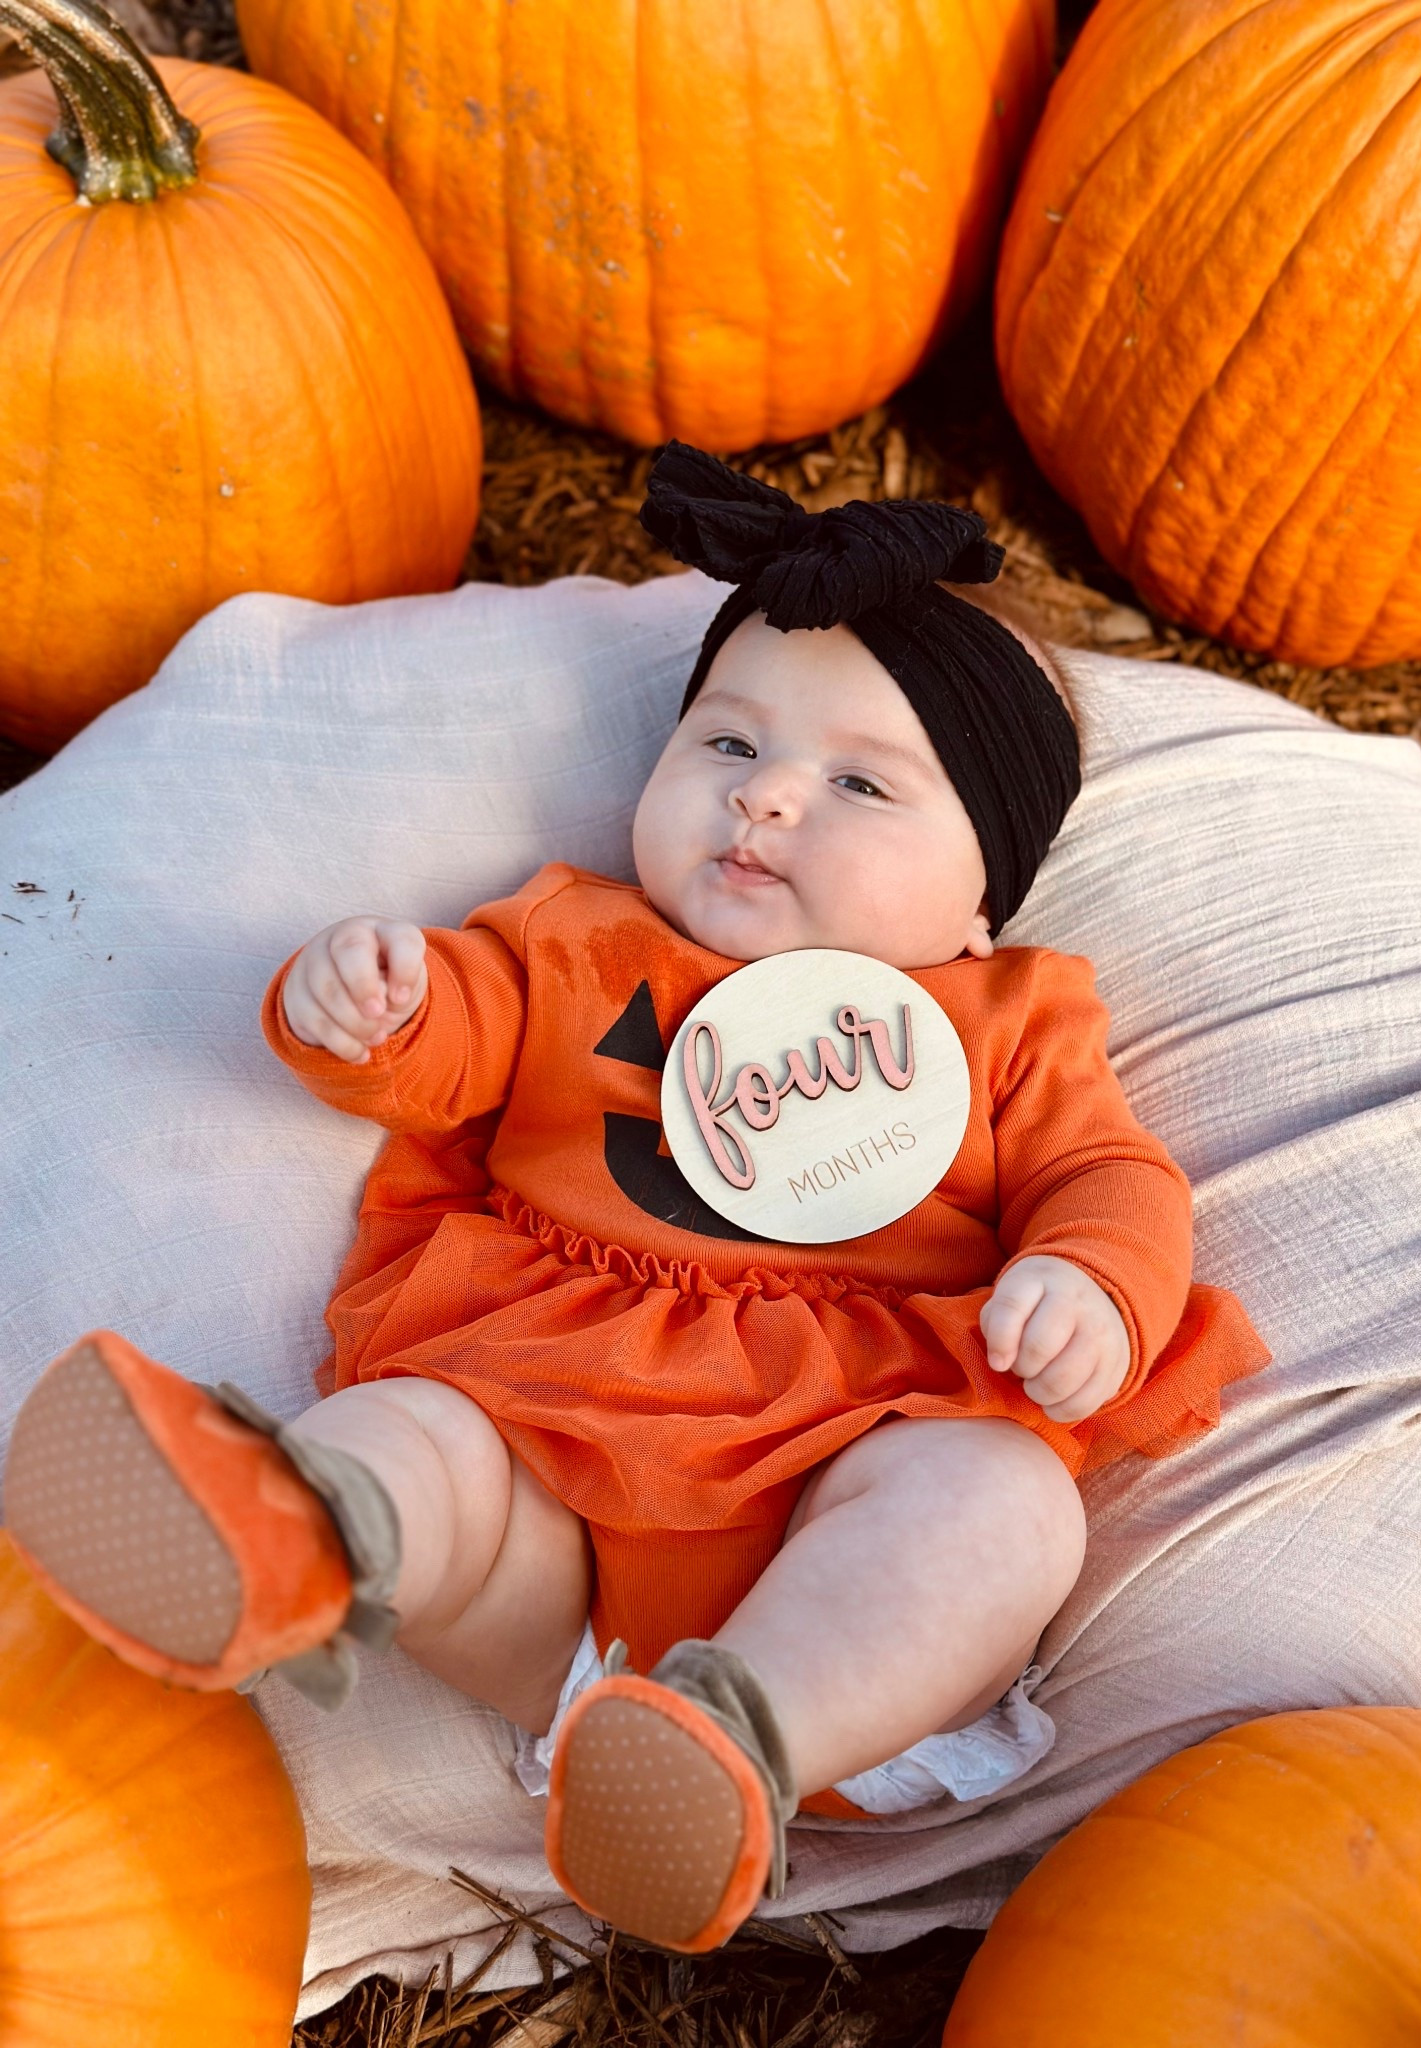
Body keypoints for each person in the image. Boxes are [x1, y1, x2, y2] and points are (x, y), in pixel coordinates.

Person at [4, 445, 1270, 1955]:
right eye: (729, 746)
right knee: (433, 1440)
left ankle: (740, 1735)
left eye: (859, 782)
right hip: (551, 1448)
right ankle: (293, 1525)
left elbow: (1108, 1173)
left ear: (982, 891)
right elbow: (458, 1039)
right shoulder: (582, 939)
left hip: (842, 1466)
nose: (768, 802)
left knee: (998, 1503)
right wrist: (373, 998)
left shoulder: (1003, 1022)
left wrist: (1093, 1282)